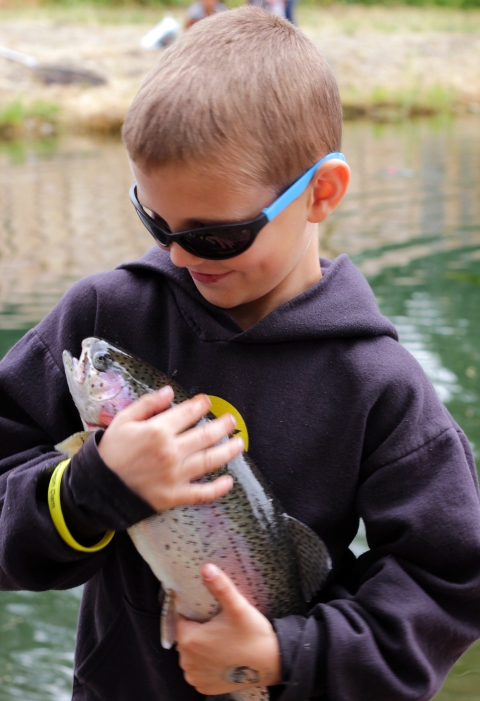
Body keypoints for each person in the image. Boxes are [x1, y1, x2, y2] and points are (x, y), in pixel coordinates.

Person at [1, 7, 480, 701]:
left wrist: (283, 652)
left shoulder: (380, 386)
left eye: (215, 235)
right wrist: (89, 488)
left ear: (321, 192)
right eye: (155, 220)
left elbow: (448, 583)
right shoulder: (104, 318)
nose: (178, 253)